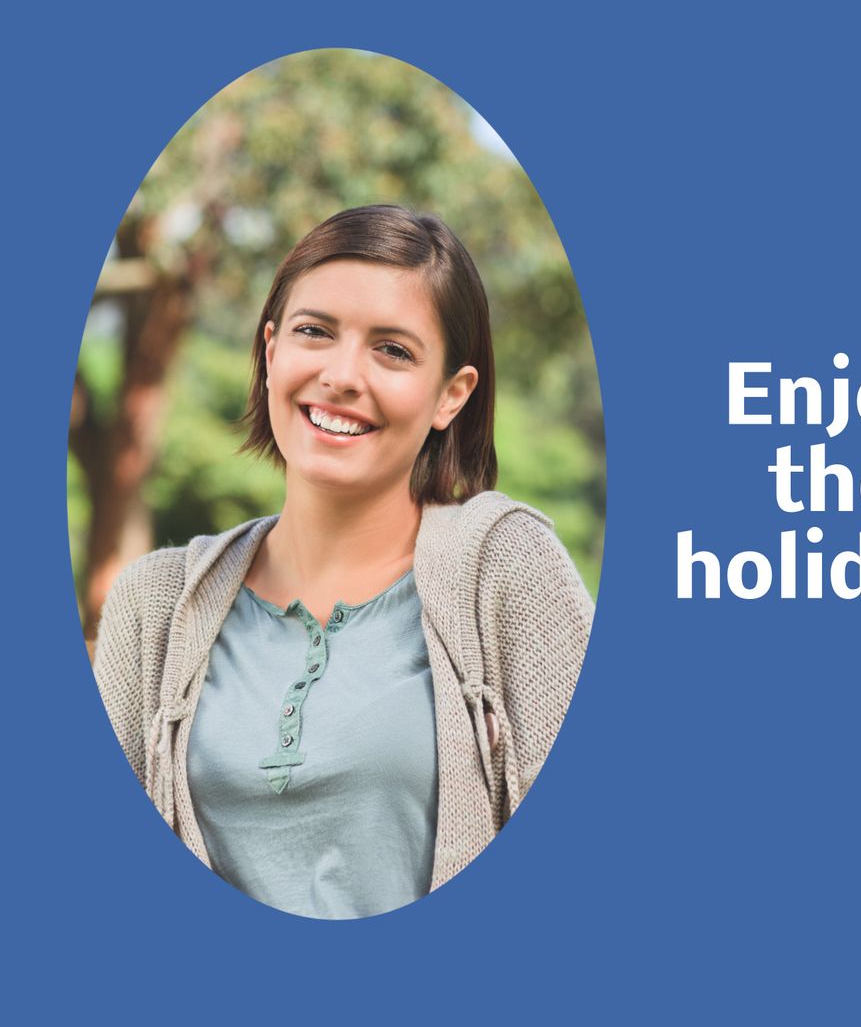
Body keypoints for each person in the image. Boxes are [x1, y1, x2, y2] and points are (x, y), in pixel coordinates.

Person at [92, 205, 594, 920]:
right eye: (314, 332)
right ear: (271, 351)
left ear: (451, 395)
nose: (342, 375)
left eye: (393, 350)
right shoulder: (156, 605)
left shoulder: (505, 567)